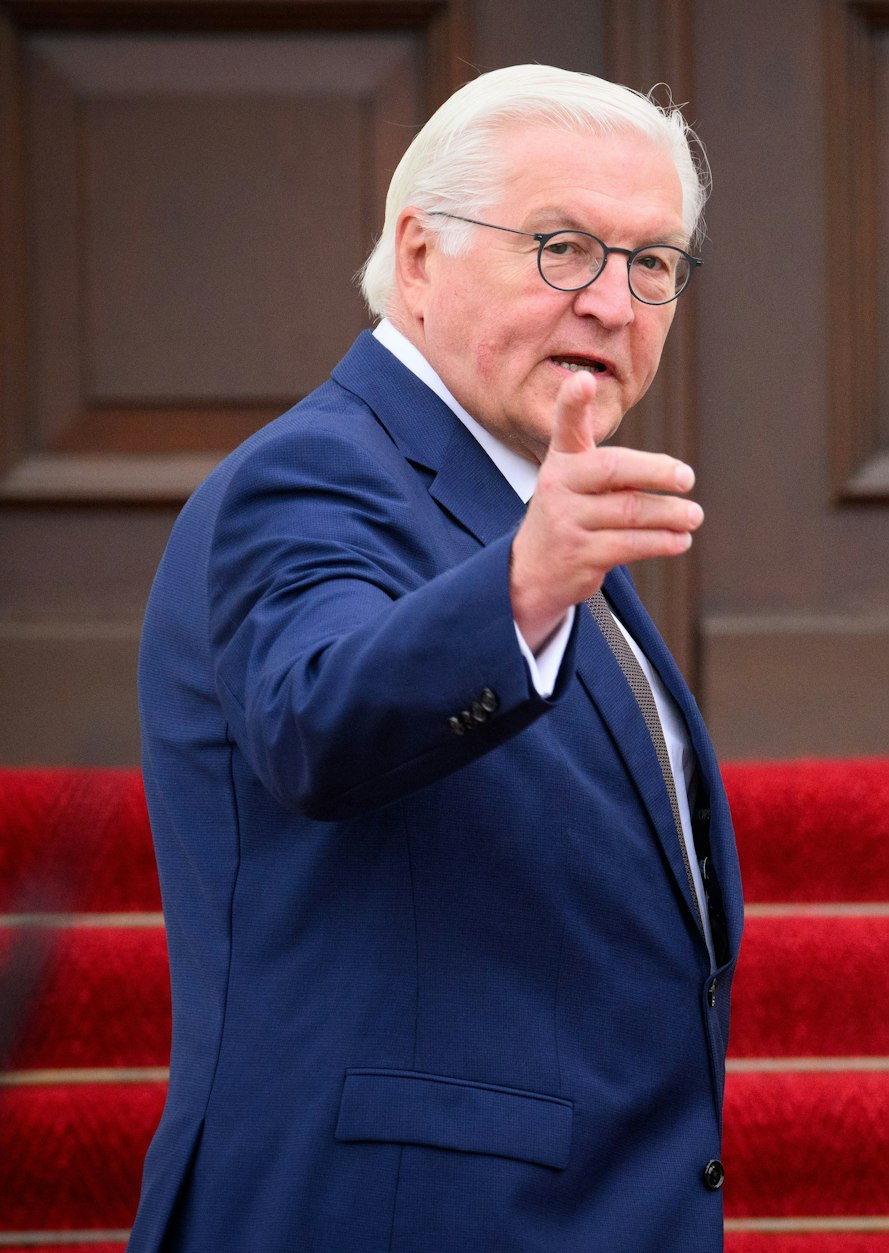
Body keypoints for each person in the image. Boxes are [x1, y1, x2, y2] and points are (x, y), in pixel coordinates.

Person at [128, 65, 738, 1253]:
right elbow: (315, 718)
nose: (614, 302)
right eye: (563, 246)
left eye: (652, 261)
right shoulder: (313, 473)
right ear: (417, 257)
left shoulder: (523, 501)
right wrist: (523, 584)